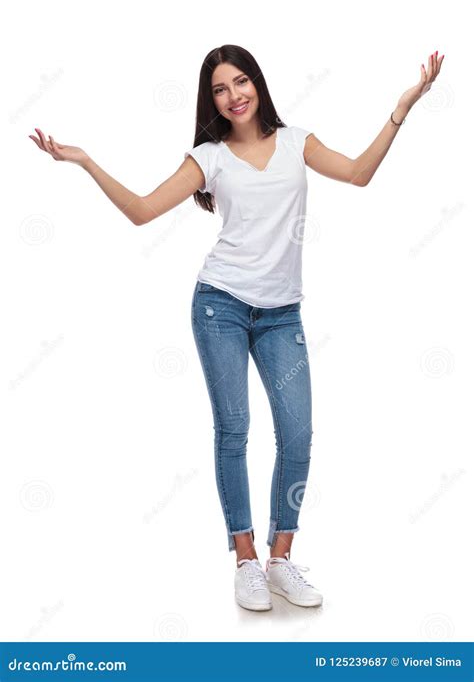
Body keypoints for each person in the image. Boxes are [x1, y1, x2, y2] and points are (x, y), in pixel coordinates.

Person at [28, 44, 444, 613]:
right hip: (218, 305)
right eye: (221, 89)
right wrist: (86, 161)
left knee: (297, 434)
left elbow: (359, 174)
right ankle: (245, 560)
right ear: (213, 100)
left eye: (241, 82)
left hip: (282, 315)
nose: (234, 96)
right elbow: (144, 210)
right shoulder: (210, 157)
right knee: (235, 430)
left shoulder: (297, 142)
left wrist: (403, 108)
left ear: (258, 84)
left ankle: (281, 559)